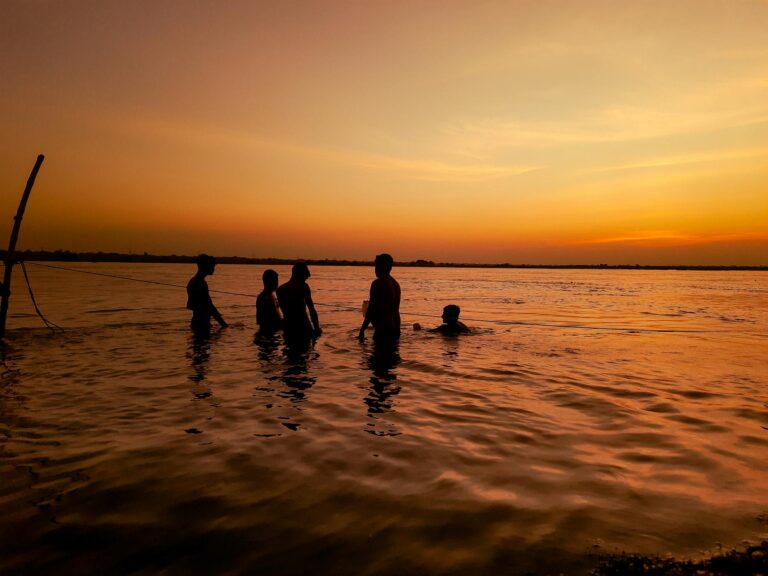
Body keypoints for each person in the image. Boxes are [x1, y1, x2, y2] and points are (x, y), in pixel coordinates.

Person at [276, 263, 321, 346]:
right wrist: (317, 328)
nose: (307, 277)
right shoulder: (303, 286)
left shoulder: (280, 289)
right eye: (306, 275)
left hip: (288, 329)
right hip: (303, 328)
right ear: (302, 274)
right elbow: (311, 309)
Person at [358, 253, 401, 342]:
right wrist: (398, 330)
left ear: (381, 267)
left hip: (382, 330)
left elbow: (371, 309)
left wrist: (362, 330)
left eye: (376, 266)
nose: (375, 269)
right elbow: (396, 311)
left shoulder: (377, 284)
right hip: (395, 329)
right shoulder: (396, 284)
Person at [186, 254, 228, 334]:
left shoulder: (195, 281)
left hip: (200, 322)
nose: (213, 269)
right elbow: (209, 306)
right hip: (201, 323)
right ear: (206, 266)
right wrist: (223, 324)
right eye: (212, 266)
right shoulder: (199, 283)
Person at [256, 269, 282, 334]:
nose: (277, 283)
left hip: (274, 331)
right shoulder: (263, 298)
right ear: (269, 282)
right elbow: (261, 321)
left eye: (277, 281)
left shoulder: (272, 295)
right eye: (275, 281)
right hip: (267, 333)